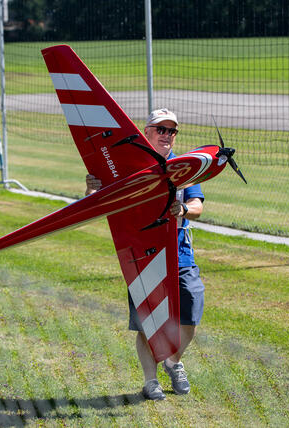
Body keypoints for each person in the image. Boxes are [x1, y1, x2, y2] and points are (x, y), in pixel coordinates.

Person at [85, 108, 205, 400]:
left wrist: (184, 209)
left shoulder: (183, 167)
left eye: (171, 131)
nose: (167, 135)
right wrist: (92, 188)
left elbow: (198, 205)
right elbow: (98, 201)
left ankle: (173, 362)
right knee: (147, 322)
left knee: (190, 315)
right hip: (143, 254)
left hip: (181, 253)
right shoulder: (127, 165)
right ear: (146, 132)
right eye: (161, 130)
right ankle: (150, 381)